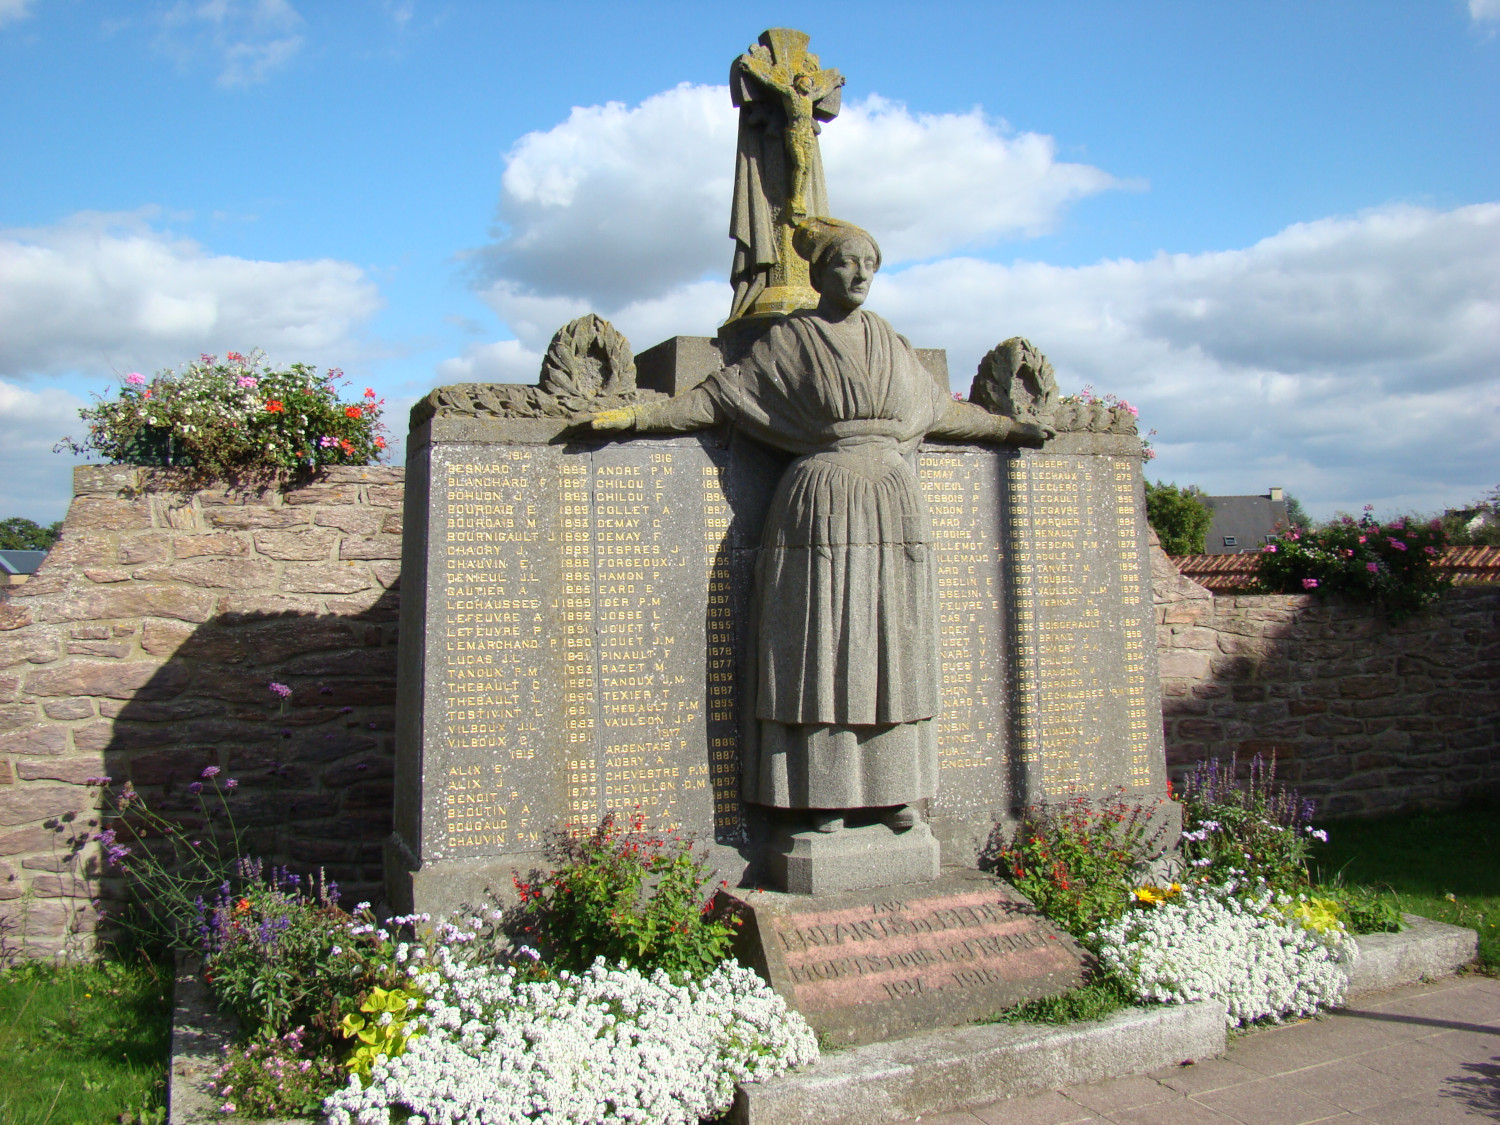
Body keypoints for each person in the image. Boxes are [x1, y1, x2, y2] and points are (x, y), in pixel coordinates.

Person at [589, 219, 1044, 834]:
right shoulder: (793, 340)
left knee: (894, 650)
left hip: (893, 507)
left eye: (869, 265)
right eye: (846, 263)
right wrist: (634, 418)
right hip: (822, 505)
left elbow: (941, 414)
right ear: (819, 271)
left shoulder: (889, 340)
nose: (859, 276)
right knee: (822, 649)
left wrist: (1009, 429)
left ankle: (896, 790)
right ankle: (818, 795)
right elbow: (719, 398)